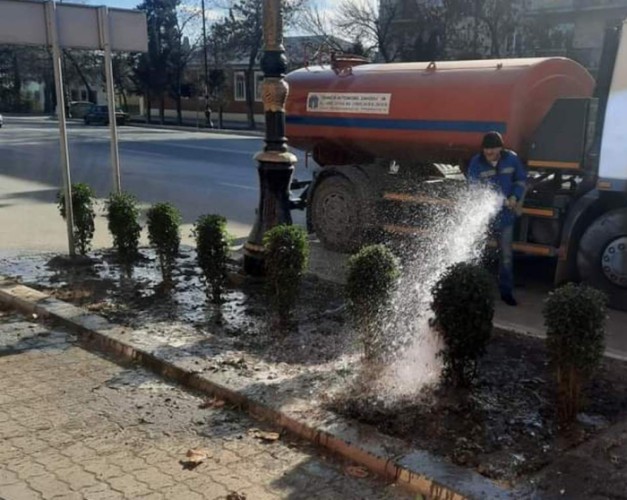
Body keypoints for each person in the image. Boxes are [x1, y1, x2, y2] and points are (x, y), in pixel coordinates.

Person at [467, 131, 527, 306]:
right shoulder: (476, 163)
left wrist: (515, 197)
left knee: (506, 255)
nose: (488, 153)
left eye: (492, 150)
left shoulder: (512, 159)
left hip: (506, 216)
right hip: (485, 216)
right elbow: (473, 187)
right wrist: (488, 200)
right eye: (486, 150)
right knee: (477, 251)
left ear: (500, 148)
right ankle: (473, 289)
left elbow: (521, 180)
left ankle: (506, 292)